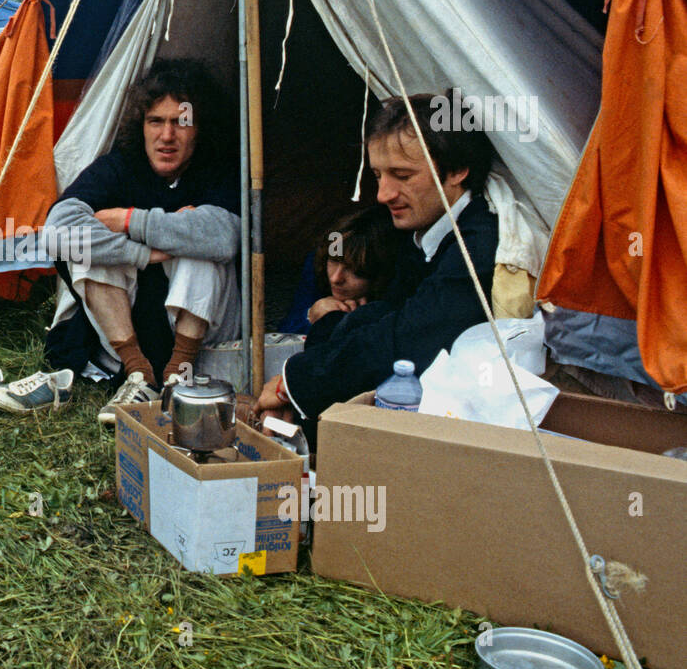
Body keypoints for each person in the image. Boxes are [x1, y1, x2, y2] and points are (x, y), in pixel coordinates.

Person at [255, 93, 499, 431]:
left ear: (457, 170)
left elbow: (408, 339)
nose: (383, 194)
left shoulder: (480, 243)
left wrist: (293, 384)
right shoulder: (423, 233)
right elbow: (379, 318)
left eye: (402, 175)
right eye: (378, 175)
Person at [42, 58, 242, 423]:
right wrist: (143, 252)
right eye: (156, 121)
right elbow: (57, 232)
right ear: (143, 125)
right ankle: (138, 376)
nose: (167, 136)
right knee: (87, 251)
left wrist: (130, 219)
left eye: (181, 122)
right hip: (127, 335)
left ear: (198, 129)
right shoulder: (120, 166)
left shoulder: (215, 169)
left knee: (202, 250)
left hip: (203, 336)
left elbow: (225, 236)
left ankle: (179, 376)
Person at [279, 204, 400, 334]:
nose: (335, 278)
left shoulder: (397, 286)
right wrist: (310, 315)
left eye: (356, 271)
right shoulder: (318, 263)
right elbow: (285, 333)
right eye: (333, 261)